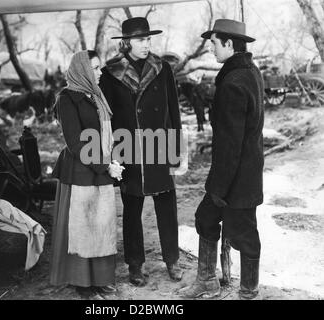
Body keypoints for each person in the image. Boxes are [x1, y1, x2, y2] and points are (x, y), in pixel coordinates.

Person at [180, 19, 264, 300]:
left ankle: (247, 291)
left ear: (229, 43)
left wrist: (218, 189)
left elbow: (230, 145)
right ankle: (212, 282)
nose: (211, 49)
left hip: (234, 179)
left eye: (215, 43)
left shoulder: (232, 82)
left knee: (242, 233)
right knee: (216, 221)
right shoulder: (251, 72)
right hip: (247, 174)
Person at [99, 17, 183, 287]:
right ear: (126, 43)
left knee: (167, 206)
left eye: (148, 39)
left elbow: (173, 111)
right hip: (128, 148)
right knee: (132, 209)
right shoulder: (110, 73)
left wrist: (175, 152)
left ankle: (172, 260)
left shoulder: (163, 68)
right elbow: (106, 118)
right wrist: (111, 156)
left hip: (159, 145)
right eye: (140, 40)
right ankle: (135, 264)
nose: (146, 45)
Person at [50, 50, 124, 299]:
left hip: (100, 167)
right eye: (94, 67)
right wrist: (105, 166)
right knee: (83, 227)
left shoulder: (97, 96)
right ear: (82, 69)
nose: (100, 72)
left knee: (101, 224)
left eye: (100, 67)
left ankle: (100, 279)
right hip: (80, 170)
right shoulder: (67, 98)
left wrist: (113, 160)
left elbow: (106, 136)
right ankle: (82, 284)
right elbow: (75, 142)